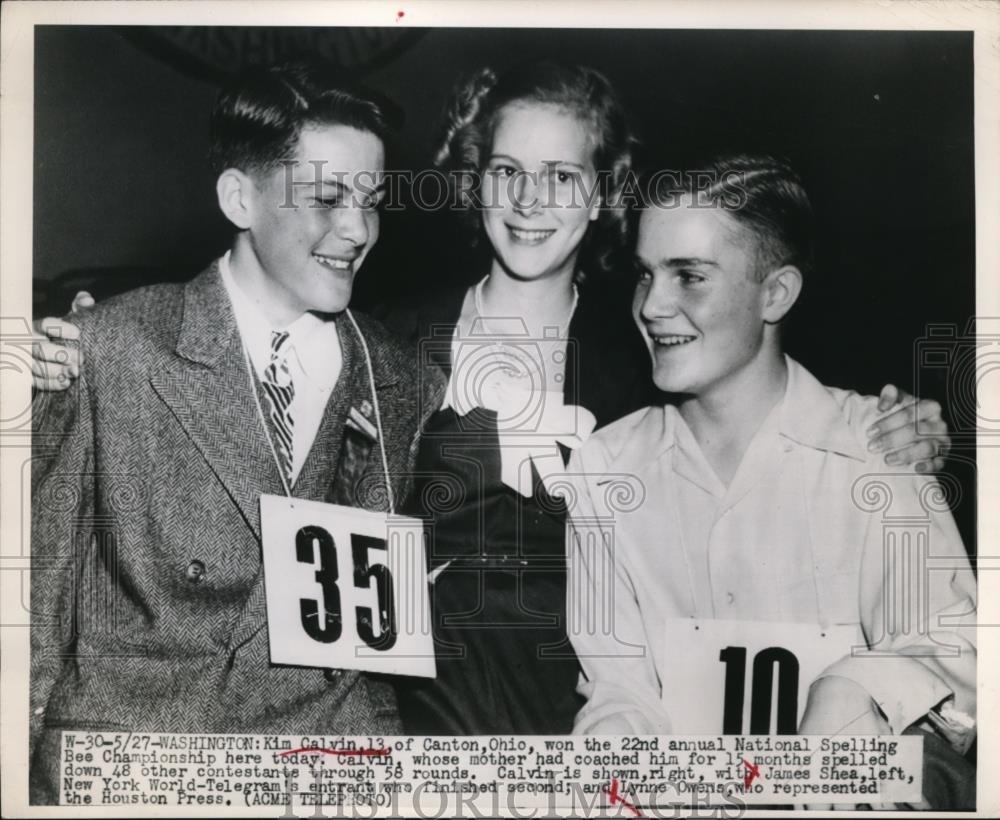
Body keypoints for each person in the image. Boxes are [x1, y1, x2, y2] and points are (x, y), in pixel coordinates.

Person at [32, 64, 951, 737]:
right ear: (474, 182)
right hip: (414, 710)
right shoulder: (385, 339)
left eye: (564, 176)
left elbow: (773, 407)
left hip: (590, 710)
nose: (530, 201)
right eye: (507, 171)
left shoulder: (657, 361)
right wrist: (84, 342)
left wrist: (900, 426)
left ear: (605, 197)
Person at [29, 61, 444, 804]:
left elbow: (375, 651)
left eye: (372, 200)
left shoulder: (399, 381)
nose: (358, 229)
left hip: (319, 769)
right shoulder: (110, 347)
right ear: (240, 197)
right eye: (327, 197)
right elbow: (39, 599)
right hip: (134, 767)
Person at [566, 154, 975, 808]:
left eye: (689, 276)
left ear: (776, 294)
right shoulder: (604, 467)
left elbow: (955, 647)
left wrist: (851, 698)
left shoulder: (878, 447)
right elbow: (620, 688)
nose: (653, 305)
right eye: (645, 275)